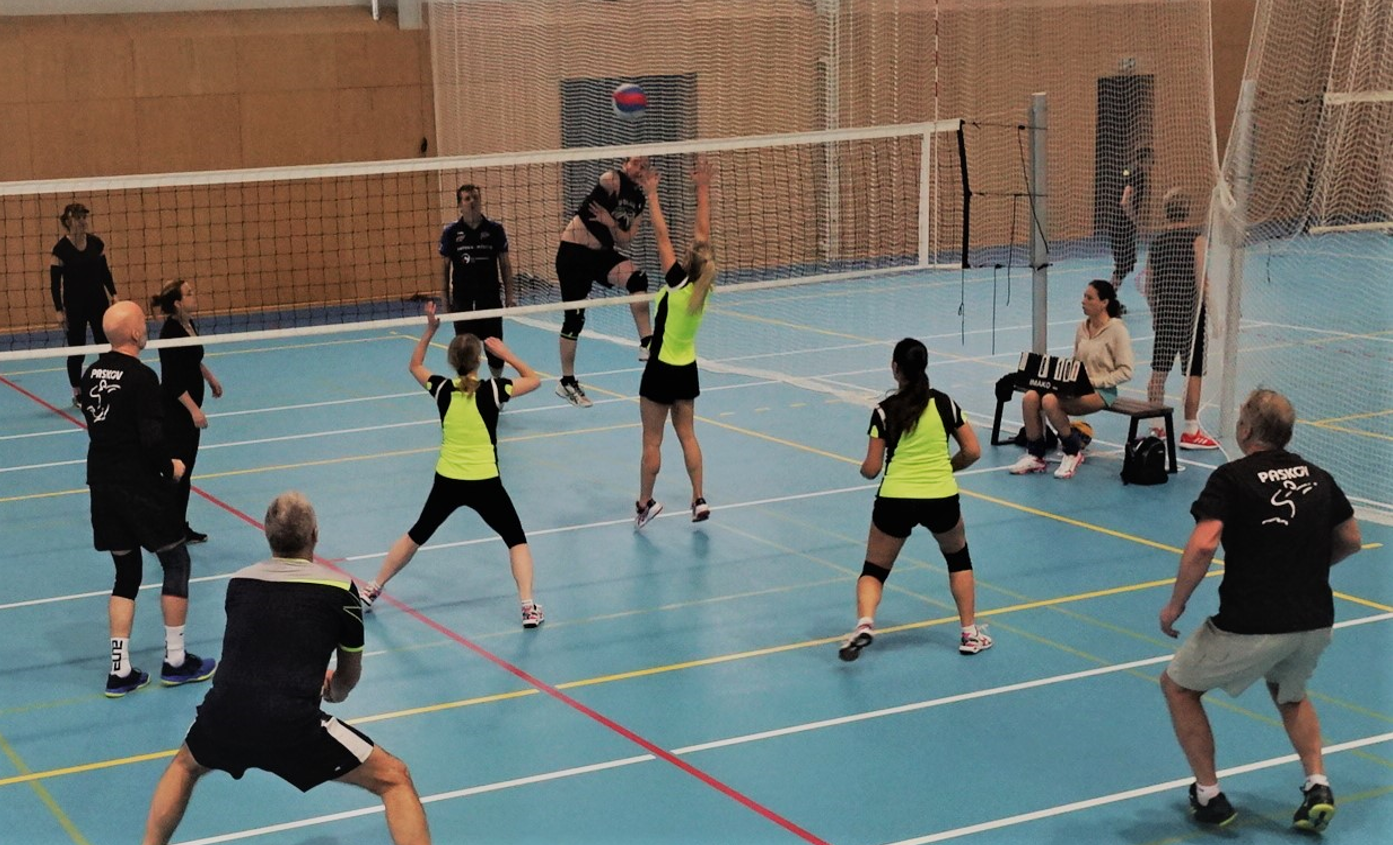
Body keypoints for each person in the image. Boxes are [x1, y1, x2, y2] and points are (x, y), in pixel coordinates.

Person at [140, 492, 430, 845]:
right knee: (395, 778)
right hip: (292, 724)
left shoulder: (239, 583)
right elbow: (347, 676)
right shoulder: (341, 590)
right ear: (314, 535)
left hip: (224, 714)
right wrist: (334, 689)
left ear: (267, 535)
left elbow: (258, 648)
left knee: (185, 766)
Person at [1159, 389, 1362, 832]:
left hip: (1251, 623)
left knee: (1178, 687)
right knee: (1290, 693)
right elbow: (1351, 539)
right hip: (1314, 620)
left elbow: (1204, 544)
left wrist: (1177, 603)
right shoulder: (1319, 477)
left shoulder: (1231, 478)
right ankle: (1318, 785)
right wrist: (1307, 567)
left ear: (1246, 429)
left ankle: (1209, 795)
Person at [362, 301, 544, 627]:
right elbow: (534, 379)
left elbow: (415, 365)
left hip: (447, 481)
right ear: (479, 360)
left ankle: (373, 588)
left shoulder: (442, 388)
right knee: (516, 540)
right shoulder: (495, 389)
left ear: (451, 361)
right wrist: (506, 354)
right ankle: (529, 608)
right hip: (486, 482)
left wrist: (430, 330)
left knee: (416, 534)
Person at [78, 301, 217, 698]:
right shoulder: (142, 377)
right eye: (143, 322)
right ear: (137, 333)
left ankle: (119, 670)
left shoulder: (91, 373)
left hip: (101, 484)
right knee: (176, 560)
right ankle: (176, 660)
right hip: (137, 485)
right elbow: (152, 440)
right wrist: (171, 467)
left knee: (126, 573)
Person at [838, 338, 993, 661]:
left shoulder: (883, 411)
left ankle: (865, 624)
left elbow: (871, 469)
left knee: (874, 571)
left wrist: (863, 469)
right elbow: (973, 451)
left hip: (895, 500)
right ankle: (969, 634)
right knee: (958, 560)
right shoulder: (945, 404)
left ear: (895, 369)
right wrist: (947, 467)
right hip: (941, 497)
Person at [630, 159, 715, 529]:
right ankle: (699, 499)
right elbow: (703, 234)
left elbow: (662, 237)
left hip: (660, 369)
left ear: (687, 262)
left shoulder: (678, 284)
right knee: (688, 436)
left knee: (652, 442)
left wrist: (651, 194)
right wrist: (703, 188)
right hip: (686, 369)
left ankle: (644, 503)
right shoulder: (704, 288)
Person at [554, 155, 655, 407]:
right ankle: (567, 381)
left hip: (601, 256)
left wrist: (611, 222)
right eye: (636, 163)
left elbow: (625, 239)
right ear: (625, 164)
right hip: (573, 253)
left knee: (637, 279)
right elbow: (605, 179)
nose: (639, 169)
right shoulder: (614, 180)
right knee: (574, 319)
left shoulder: (639, 201)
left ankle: (647, 342)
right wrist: (615, 181)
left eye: (644, 166)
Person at [1008, 280, 1134, 479]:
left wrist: (1095, 382)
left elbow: (1126, 371)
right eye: (1084, 296)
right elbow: (1076, 361)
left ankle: (1072, 452)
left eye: (1089, 298)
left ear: (1104, 303)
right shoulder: (1082, 328)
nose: (1083, 301)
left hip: (1102, 392)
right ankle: (1035, 454)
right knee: (1030, 397)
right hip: (1077, 388)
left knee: (1050, 401)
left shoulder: (1118, 330)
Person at [1142, 189, 1219, 449]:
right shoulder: (1197, 240)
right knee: (1192, 372)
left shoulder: (1157, 243)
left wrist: (1156, 313)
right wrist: (1214, 315)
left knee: (1158, 372)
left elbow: (1149, 285)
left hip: (1166, 313)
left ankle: (1156, 426)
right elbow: (1201, 281)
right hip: (1190, 316)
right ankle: (1190, 430)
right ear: (1188, 210)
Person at [153, 280, 224, 545]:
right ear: (178, 303)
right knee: (177, 473)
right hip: (176, 413)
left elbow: (193, 359)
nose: (194, 296)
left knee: (186, 472)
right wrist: (194, 410)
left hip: (186, 412)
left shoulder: (189, 324)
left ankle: (179, 527)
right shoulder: (170, 334)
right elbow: (172, 381)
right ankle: (166, 530)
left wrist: (209, 377)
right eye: (189, 293)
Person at [440, 183, 515, 380]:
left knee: (494, 349)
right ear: (460, 205)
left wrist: (510, 295)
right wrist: (445, 301)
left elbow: (505, 264)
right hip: (462, 300)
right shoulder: (451, 232)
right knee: (464, 349)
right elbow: (444, 269)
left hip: (489, 297)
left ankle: (496, 385)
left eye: (475, 197)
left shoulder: (495, 230)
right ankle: (467, 388)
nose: (472, 202)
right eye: (467, 198)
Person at [52, 202, 119, 407]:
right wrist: (59, 310)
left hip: (98, 302)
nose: (82, 221)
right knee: (77, 349)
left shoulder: (96, 243)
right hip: (74, 306)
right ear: (68, 221)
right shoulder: (60, 250)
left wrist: (114, 294)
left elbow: (104, 272)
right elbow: (54, 283)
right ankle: (78, 392)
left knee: (105, 346)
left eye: (84, 217)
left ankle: (105, 385)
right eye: (78, 217)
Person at [1109, 147, 1151, 290]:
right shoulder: (1138, 174)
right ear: (1145, 159)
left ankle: (1110, 294)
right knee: (1124, 264)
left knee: (1127, 263)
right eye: (1151, 160)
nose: (1152, 164)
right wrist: (1137, 223)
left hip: (1119, 223)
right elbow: (1125, 201)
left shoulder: (1130, 170)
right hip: (1122, 225)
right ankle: (1107, 297)